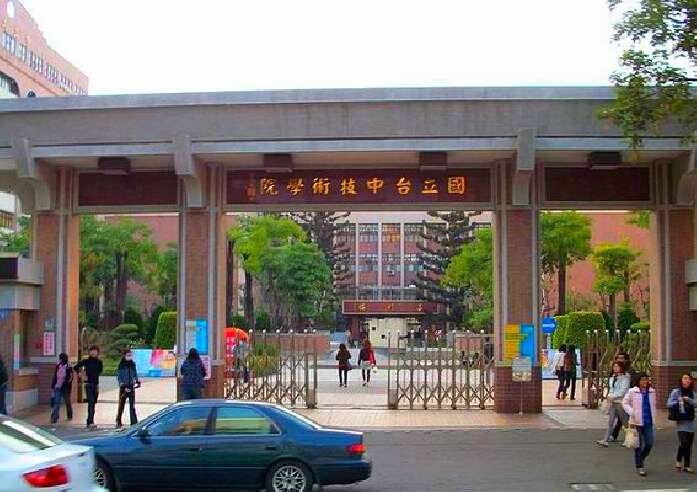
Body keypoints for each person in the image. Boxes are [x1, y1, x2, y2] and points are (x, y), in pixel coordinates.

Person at [623, 372, 657, 477]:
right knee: (638, 445)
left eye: (646, 379)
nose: (644, 381)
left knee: (649, 443)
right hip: (636, 422)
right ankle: (640, 466)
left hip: (648, 421)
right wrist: (632, 412)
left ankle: (641, 458)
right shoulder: (632, 391)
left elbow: (653, 405)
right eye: (642, 379)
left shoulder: (652, 391)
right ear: (638, 381)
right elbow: (625, 403)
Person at [596, 361, 630, 447]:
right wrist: (609, 396)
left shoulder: (625, 378)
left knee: (625, 422)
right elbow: (611, 389)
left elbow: (623, 391)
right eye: (614, 366)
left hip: (620, 402)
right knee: (610, 421)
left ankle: (630, 439)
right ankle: (605, 440)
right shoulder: (613, 378)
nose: (615, 368)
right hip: (612, 402)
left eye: (617, 366)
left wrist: (613, 396)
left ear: (621, 367)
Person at [667, 374, 696, 472]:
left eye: (689, 379)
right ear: (681, 380)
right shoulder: (676, 392)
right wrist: (678, 401)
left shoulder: (693, 393)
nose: (687, 380)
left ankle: (686, 464)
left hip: (690, 421)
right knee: (684, 443)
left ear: (691, 381)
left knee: (688, 444)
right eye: (685, 378)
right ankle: (681, 462)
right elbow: (669, 404)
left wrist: (689, 400)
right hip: (681, 420)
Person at [74, 345, 103, 428]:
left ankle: (90, 420)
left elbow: (100, 371)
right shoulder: (86, 361)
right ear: (89, 352)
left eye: (95, 351)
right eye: (92, 351)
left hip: (96, 385)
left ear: (97, 352)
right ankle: (90, 421)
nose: (93, 353)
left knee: (93, 403)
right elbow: (76, 367)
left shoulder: (99, 362)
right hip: (88, 384)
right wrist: (80, 374)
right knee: (91, 402)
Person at [611, 352, 636, 440]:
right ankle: (614, 434)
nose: (620, 360)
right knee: (622, 417)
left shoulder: (629, 371)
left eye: (622, 358)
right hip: (619, 398)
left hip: (628, 396)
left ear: (626, 360)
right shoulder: (616, 370)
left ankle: (617, 434)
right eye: (618, 358)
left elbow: (632, 384)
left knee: (624, 417)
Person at [116, 349, 140, 427]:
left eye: (130, 355)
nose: (129, 356)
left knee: (132, 406)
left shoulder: (133, 364)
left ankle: (134, 422)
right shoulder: (121, 365)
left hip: (131, 387)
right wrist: (122, 385)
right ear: (124, 356)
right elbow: (119, 376)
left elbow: (135, 373)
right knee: (121, 406)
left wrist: (137, 381)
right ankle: (118, 420)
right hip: (123, 388)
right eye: (128, 355)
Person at [50, 353, 73, 424]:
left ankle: (69, 415)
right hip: (57, 386)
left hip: (65, 388)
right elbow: (55, 376)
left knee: (67, 402)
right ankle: (54, 417)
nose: (59, 360)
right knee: (56, 402)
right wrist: (53, 385)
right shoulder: (58, 366)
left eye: (60, 359)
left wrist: (66, 382)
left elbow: (70, 378)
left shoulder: (69, 367)